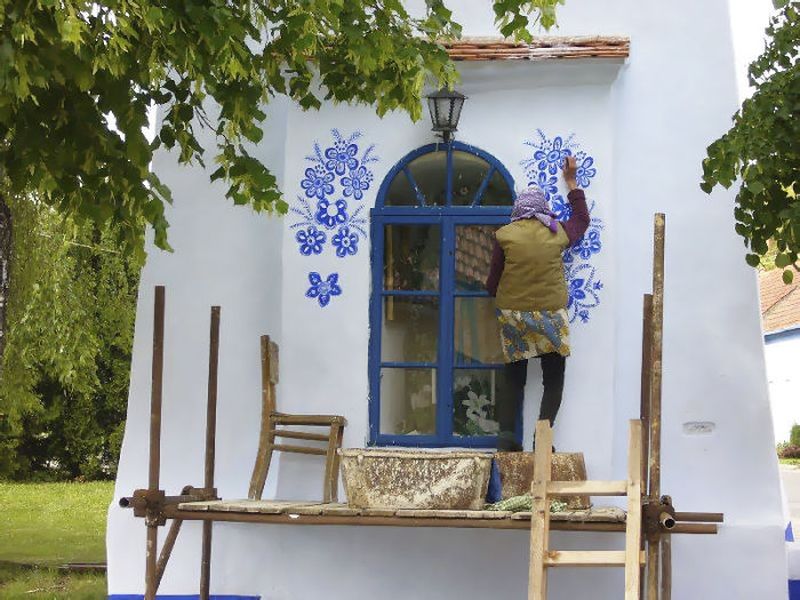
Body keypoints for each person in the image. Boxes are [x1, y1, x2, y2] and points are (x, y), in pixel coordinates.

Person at [485, 156, 590, 451]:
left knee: (514, 381)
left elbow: (493, 282)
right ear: (542, 208)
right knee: (553, 380)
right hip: (551, 317)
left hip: (514, 316)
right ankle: (542, 440)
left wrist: (501, 296)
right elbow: (582, 220)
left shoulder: (504, 235)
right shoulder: (557, 231)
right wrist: (571, 183)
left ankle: (508, 443)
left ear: (518, 210)